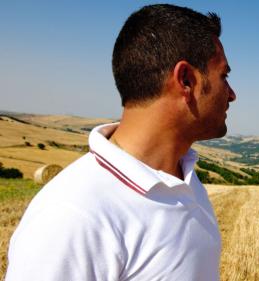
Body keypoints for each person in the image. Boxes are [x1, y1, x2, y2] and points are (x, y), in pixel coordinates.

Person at [6, 3, 236, 281]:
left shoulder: (184, 178)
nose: (232, 94)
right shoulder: (71, 217)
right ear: (186, 80)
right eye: (223, 75)